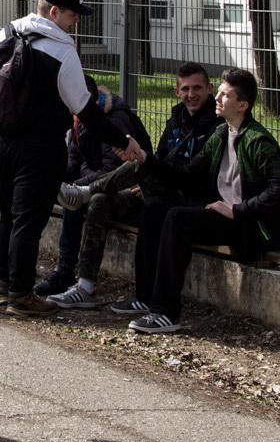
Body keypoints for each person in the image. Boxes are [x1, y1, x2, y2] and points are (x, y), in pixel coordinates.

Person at [127, 68, 280, 334]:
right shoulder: (221, 134)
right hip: (223, 214)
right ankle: (145, 297)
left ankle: (166, 312)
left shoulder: (258, 141)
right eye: (218, 92)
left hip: (252, 226)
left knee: (178, 219)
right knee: (155, 208)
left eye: (224, 94)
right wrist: (146, 159)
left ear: (242, 105)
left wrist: (238, 210)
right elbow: (188, 175)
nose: (216, 98)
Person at [51, 63, 222, 311]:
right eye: (185, 88)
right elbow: (163, 158)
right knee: (101, 202)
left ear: (209, 89)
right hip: (158, 188)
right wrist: (149, 180)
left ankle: (84, 192)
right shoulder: (176, 119)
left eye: (197, 88)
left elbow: (192, 173)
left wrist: (150, 173)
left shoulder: (216, 127)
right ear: (177, 91)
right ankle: (85, 286)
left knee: (141, 161)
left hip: (188, 197)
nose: (191, 94)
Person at [0, 0, 93, 315]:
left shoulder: (6, 32)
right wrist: (121, 141)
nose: (77, 21)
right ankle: (21, 294)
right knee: (29, 219)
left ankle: (4, 284)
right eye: (74, 15)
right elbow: (82, 106)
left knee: (8, 215)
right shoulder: (62, 49)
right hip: (40, 145)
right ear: (55, 12)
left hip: (2, 139)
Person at [34, 78, 153, 298]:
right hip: (98, 182)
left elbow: (116, 169)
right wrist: (50, 175)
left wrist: (77, 186)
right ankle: (18, 262)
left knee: (76, 198)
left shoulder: (112, 122)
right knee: (56, 190)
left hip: (128, 187)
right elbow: (74, 162)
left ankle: (66, 270)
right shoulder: (79, 119)